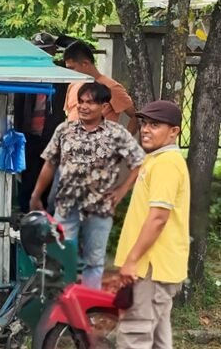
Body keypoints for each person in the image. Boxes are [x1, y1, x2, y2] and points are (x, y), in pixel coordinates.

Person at [92, 101, 189, 349]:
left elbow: (158, 217)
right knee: (159, 341)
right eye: (144, 123)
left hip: (148, 268)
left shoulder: (165, 163)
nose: (146, 129)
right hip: (163, 267)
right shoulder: (164, 160)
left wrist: (131, 261)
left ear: (174, 131)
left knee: (134, 339)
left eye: (155, 125)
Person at [29, 83, 144, 289]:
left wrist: (122, 190)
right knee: (60, 256)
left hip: (99, 208)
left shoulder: (116, 133)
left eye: (90, 102)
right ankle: (60, 309)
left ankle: (86, 311)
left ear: (104, 106)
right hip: (66, 205)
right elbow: (49, 163)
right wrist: (36, 194)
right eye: (80, 102)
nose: (83, 107)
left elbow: (139, 162)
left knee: (94, 261)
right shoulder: (65, 130)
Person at [14, 32, 68, 212]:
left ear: (54, 51)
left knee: (49, 177)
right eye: (38, 51)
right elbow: (18, 107)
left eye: (46, 51)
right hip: (29, 135)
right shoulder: (24, 73)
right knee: (27, 178)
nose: (41, 55)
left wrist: (61, 40)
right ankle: (25, 215)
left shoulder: (62, 74)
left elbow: (81, 50)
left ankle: (46, 216)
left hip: (51, 135)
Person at [63, 41, 138, 134]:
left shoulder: (111, 87)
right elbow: (69, 116)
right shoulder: (73, 85)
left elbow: (136, 116)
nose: (70, 72)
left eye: (72, 68)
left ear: (85, 64)